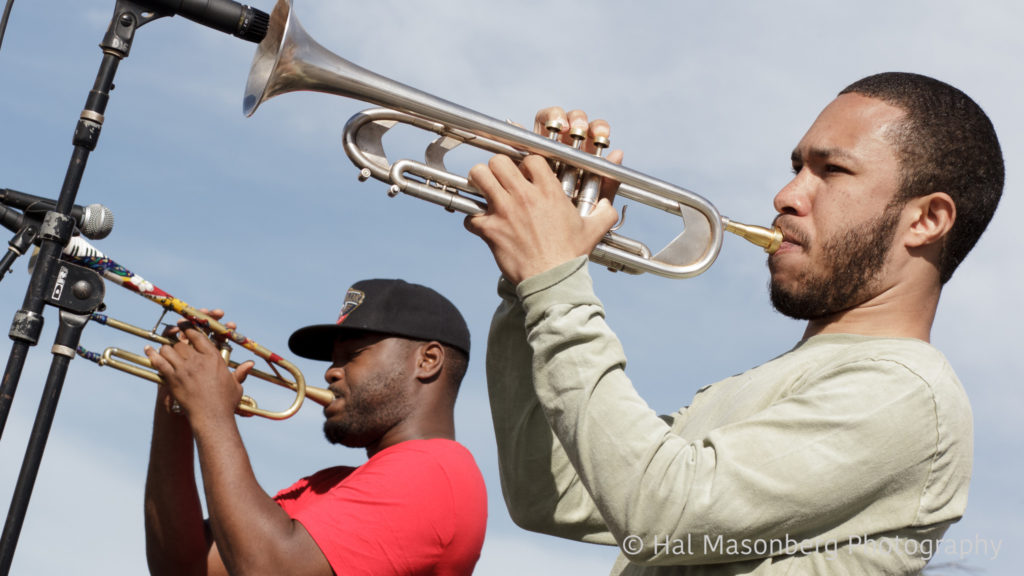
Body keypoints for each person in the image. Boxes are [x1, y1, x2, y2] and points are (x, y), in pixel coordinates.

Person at [463, 72, 1003, 574]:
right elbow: (547, 493)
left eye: (832, 170)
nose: (787, 195)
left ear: (927, 219)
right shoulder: (791, 378)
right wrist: (526, 289)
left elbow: (656, 508)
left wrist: (554, 276)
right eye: (797, 168)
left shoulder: (906, 392)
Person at [142, 278, 487, 576]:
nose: (330, 372)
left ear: (427, 361)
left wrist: (212, 413)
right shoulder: (332, 484)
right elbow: (183, 567)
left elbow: (269, 570)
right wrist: (175, 402)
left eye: (352, 354)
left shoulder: (433, 471)